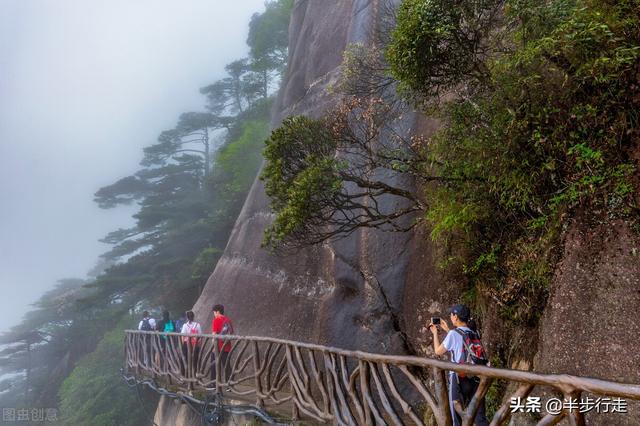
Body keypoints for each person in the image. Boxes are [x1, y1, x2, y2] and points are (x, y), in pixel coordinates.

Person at [429, 304, 488, 426]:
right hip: (476, 378)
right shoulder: (474, 332)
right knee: (480, 417)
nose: (450, 316)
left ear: (455, 317)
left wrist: (435, 333)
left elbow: (438, 351)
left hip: (459, 379)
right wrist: (447, 330)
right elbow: (461, 342)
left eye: (451, 314)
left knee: (456, 418)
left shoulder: (453, 334)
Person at [211, 304, 234, 384]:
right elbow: (231, 332)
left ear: (217, 312)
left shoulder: (216, 320)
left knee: (213, 365)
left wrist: (213, 347)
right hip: (227, 346)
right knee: (227, 366)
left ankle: (214, 383)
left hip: (218, 347)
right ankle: (230, 384)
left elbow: (214, 334)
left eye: (214, 312)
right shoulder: (228, 320)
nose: (214, 314)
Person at [180, 311, 202, 377]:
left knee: (184, 359)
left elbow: (182, 336)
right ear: (193, 317)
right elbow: (200, 336)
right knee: (195, 359)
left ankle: (184, 374)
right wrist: (199, 345)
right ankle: (195, 374)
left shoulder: (185, 325)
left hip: (187, 345)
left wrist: (183, 344)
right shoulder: (197, 325)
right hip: (195, 344)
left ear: (187, 317)